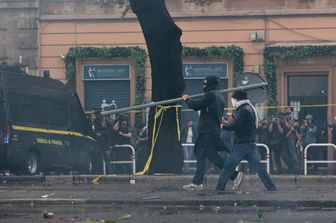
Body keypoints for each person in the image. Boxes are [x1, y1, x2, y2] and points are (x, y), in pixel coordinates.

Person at [181, 75, 241, 191]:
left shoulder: (210, 95)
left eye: (205, 83)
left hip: (207, 130)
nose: (203, 85)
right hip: (210, 130)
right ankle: (197, 182)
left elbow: (196, 106)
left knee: (211, 156)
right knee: (200, 153)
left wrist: (187, 99)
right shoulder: (219, 96)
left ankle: (234, 175)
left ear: (210, 84)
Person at [216, 90, 277, 192]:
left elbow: (236, 126)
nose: (232, 101)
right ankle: (271, 188)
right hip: (250, 143)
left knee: (228, 167)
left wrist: (224, 126)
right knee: (259, 168)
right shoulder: (249, 108)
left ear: (237, 99)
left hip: (241, 143)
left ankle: (219, 188)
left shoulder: (243, 109)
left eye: (233, 99)